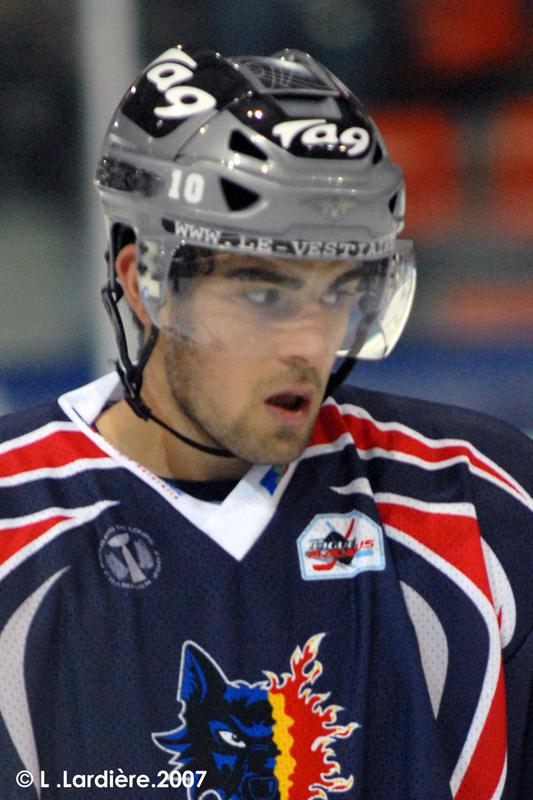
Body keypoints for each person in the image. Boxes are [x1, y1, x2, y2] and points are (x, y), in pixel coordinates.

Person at [0, 45, 531, 800]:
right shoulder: (14, 524)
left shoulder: (480, 505)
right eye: (263, 294)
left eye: (338, 291)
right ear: (145, 286)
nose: (308, 343)